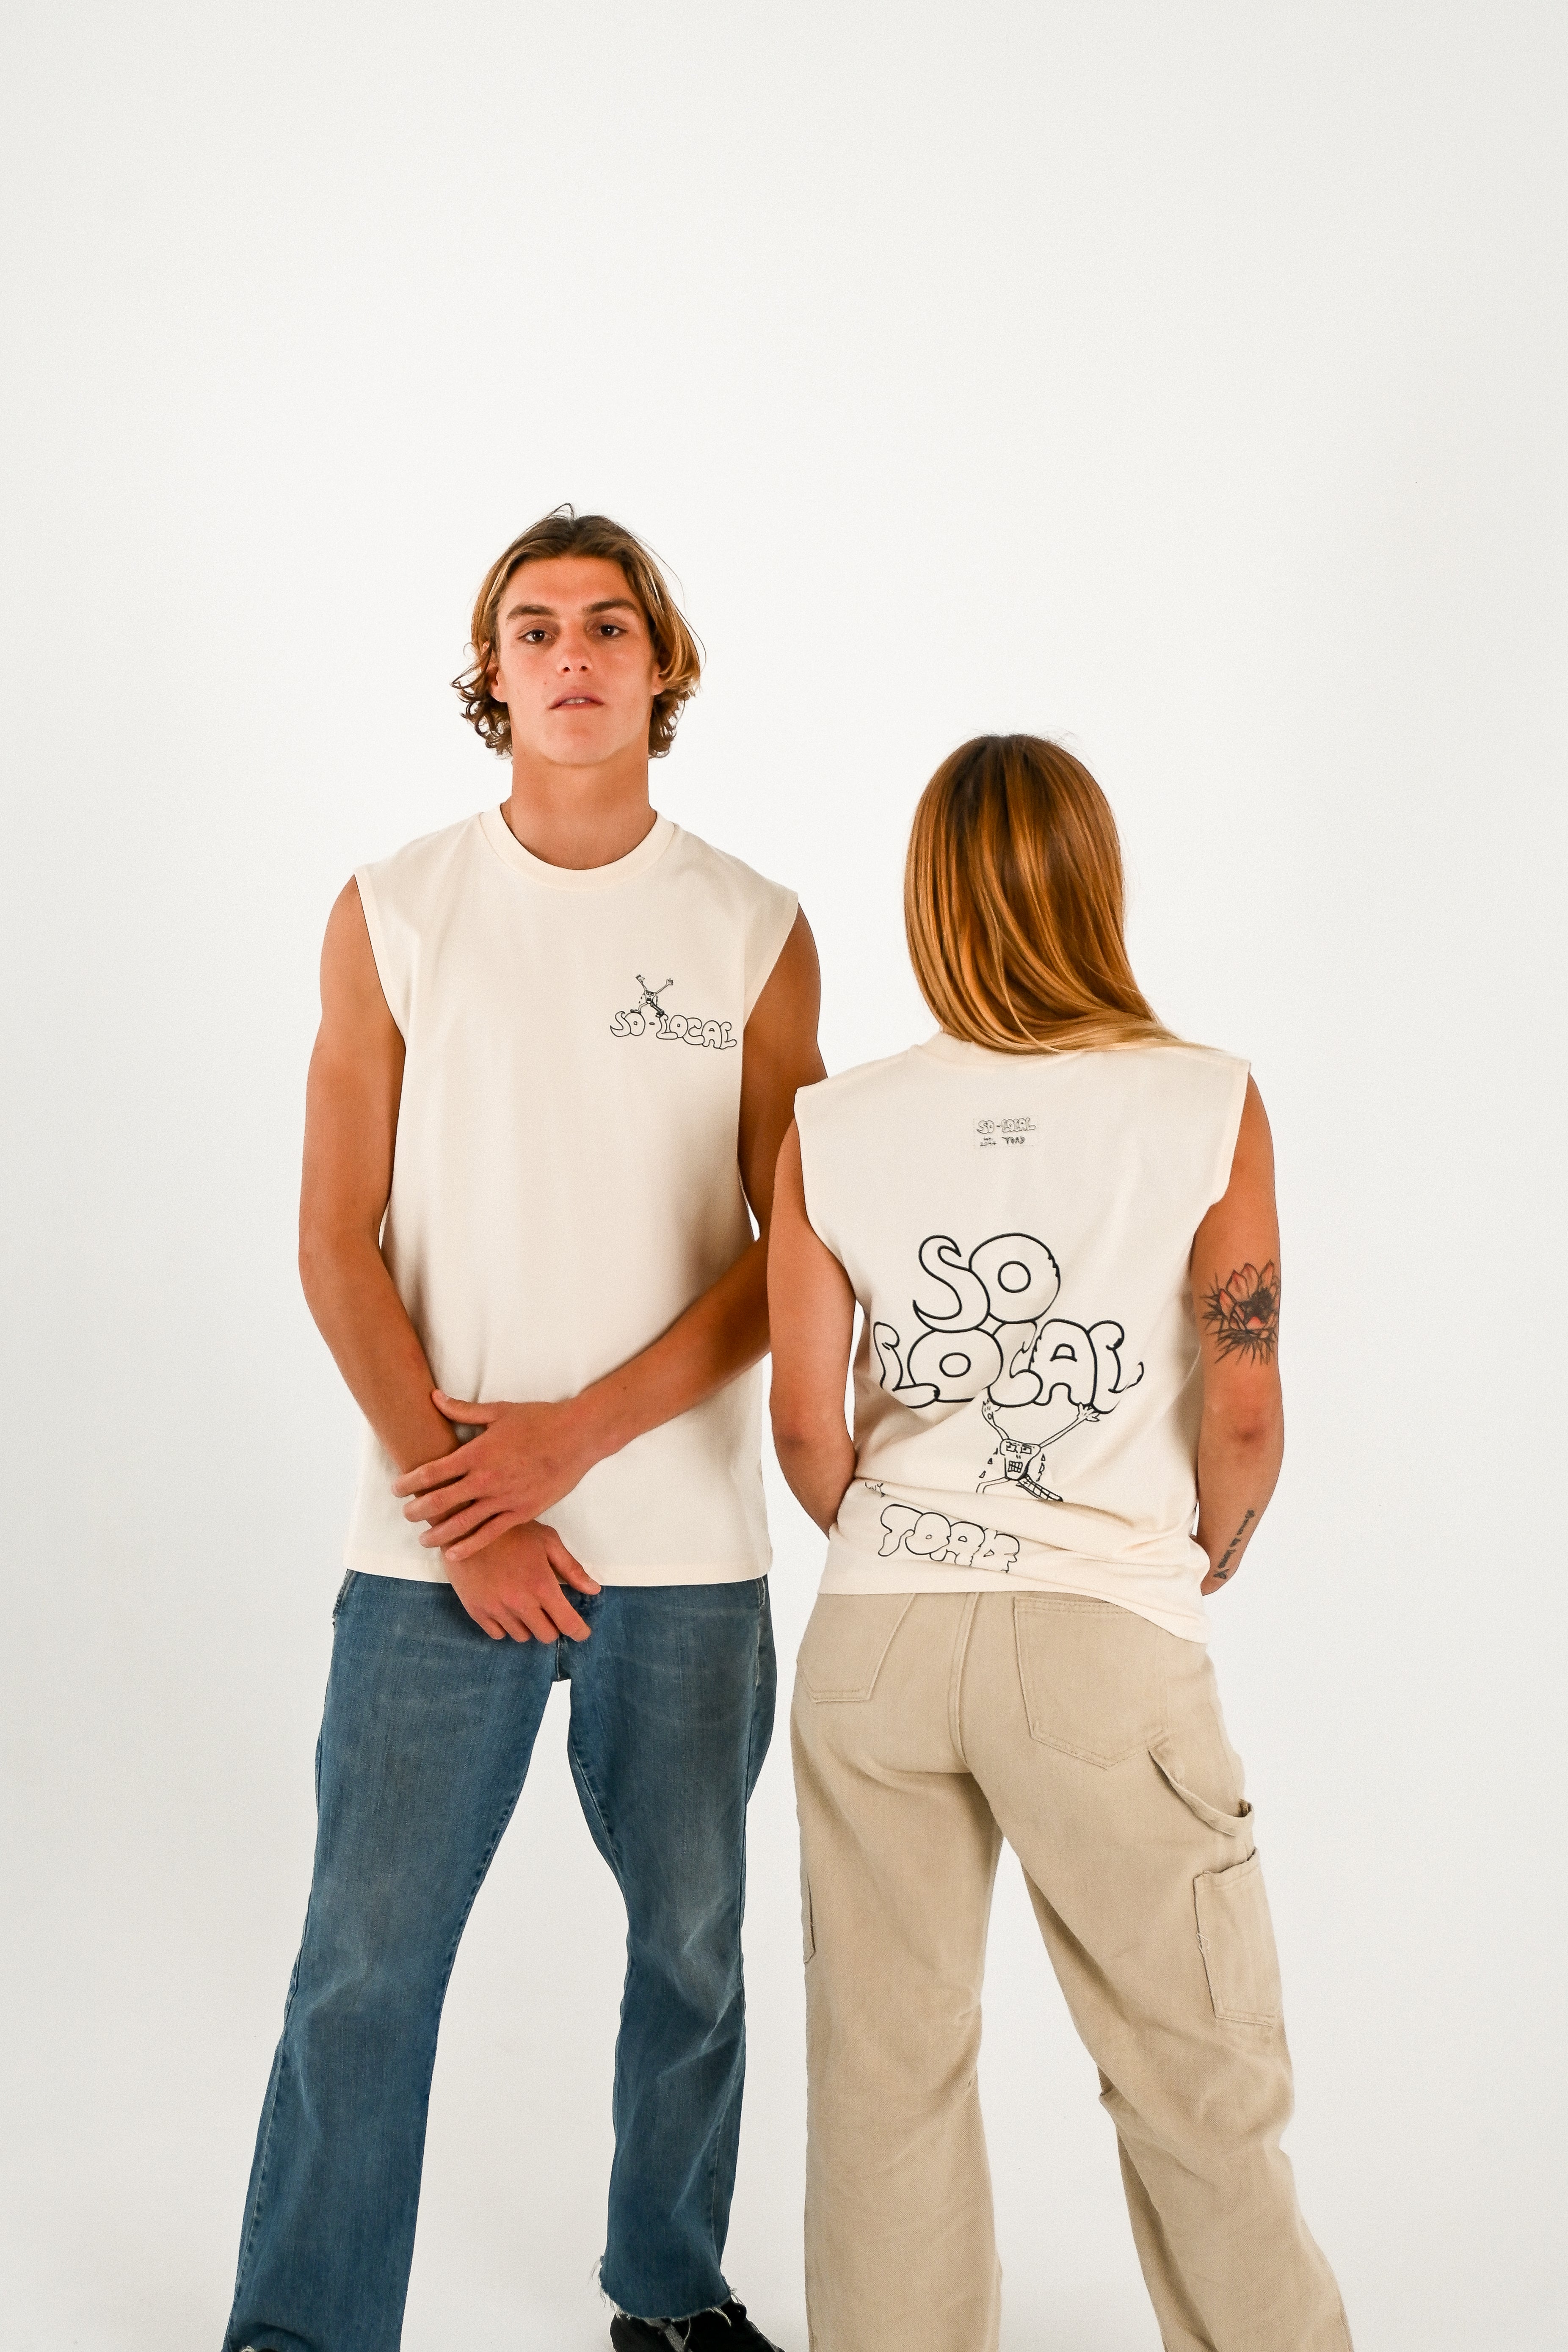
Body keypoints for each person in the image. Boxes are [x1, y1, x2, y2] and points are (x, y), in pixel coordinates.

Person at [223, 509, 821, 2352]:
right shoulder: (396, 908)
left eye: (608, 627)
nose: (572, 654)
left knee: (695, 1961)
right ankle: (303, 2331)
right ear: (491, 673)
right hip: (431, 1550)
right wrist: (472, 1507)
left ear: (662, 667)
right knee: (363, 1977)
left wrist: (573, 1441)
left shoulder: (752, 928)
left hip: (686, 1556)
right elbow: (334, 1240)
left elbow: (781, 1260)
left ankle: (667, 2295)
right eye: (534, 628)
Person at [767, 735, 1351, 2352]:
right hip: (1102, 1634)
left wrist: (898, 1526)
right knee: (1193, 2075)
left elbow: (807, 1424)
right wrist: (1205, 1543)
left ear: (928, 899)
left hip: (875, 1635)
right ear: (1097, 881)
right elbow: (1243, 1409)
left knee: (886, 2080)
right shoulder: (1207, 1102)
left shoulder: (831, 1123)